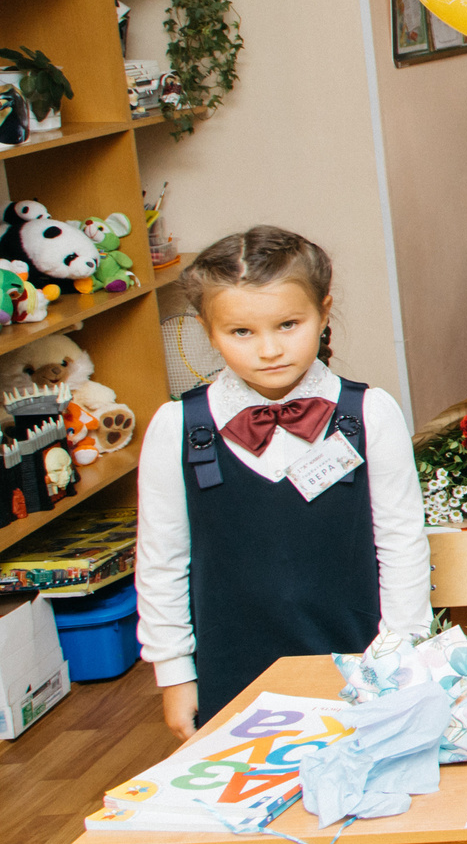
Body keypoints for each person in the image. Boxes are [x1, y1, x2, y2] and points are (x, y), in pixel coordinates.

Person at [136, 228, 431, 740]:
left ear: (323, 312)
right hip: (230, 667)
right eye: (241, 332)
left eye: (288, 324)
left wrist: (398, 653)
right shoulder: (176, 427)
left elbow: (402, 542)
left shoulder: (369, 414)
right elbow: (161, 560)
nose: (269, 349)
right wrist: (175, 676)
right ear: (208, 331)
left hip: (357, 660)